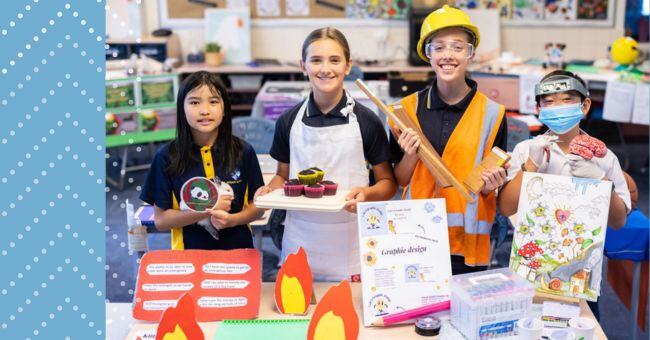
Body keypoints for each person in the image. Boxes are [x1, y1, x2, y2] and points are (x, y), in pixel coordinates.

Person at [255, 27, 396, 281]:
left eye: (334, 60)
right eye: (316, 60)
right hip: (300, 239)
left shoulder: (367, 121)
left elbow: (388, 184)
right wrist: (268, 190)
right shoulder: (288, 121)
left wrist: (367, 194)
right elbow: (282, 178)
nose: (325, 68)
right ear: (303, 65)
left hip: (351, 243)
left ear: (348, 65)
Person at [498, 70, 631, 321]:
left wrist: (600, 180)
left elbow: (618, 221)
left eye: (567, 100)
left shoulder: (604, 157)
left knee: (581, 328)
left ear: (585, 105)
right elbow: (505, 208)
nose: (558, 107)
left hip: (580, 273)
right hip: (530, 267)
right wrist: (530, 168)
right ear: (538, 108)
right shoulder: (526, 149)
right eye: (548, 102)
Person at [390, 5, 509, 275]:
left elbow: (492, 184)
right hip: (417, 237)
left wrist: (492, 185)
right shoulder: (405, 111)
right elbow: (400, 180)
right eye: (439, 47)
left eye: (457, 47)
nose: (448, 55)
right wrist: (410, 154)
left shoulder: (493, 114)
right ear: (428, 55)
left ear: (471, 54)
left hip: (468, 244)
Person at [140, 71, 265, 250]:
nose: (205, 110)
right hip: (188, 256)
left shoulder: (243, 151)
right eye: (194, 102)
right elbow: (161, 221)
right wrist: (207, 209)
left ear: (224, 108)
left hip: (239, 252)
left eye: (213, 101)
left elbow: (258, 207)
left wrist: (232, 220)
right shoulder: (166, 156)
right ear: (182, 108)